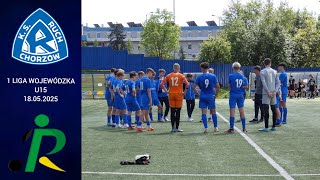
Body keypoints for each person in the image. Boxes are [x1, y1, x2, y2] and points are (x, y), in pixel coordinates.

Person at [161, 63, 189, 132]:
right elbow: (187, 84)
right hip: (179, 94)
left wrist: (166, 91)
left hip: (171, 94)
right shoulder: (181, 75)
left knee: (172, 111)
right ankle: (177, 127)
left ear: (173, 68)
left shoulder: (169, 75)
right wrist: (184, 92)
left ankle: (172, 128)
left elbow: (161, 84)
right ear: (179, 68)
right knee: (178, 111)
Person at [193, 62, 220, 133]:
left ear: (201, 68)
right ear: (208, 68)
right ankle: (216, 127)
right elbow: (218, 87)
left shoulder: (199, 77)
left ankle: (206, 128)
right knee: (213, 112)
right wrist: (215, 95)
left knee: (204, 113)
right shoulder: (213, 76)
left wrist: (198, 95)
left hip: (203, 96)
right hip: (210, 95)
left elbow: (194, 87)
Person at [225, 62, 248, 133]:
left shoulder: (231, 76)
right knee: (241, 110)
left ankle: (231, 128)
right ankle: (244, 127)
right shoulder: (243, 77)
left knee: (232, 111)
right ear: (239, 68)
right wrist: (241, 87)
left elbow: (229, 85)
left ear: (233, 68)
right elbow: (246, 86)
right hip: (240, 95)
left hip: (233, 95)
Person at [259, 58, 280, 132]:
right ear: (270, 63)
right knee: (273, 109)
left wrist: (268, 92)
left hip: (266, 93)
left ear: (264, 63)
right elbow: (278, 83)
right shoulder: (275, 71)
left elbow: (264, 83)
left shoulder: (262, 71)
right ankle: (273, 126)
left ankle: (266, 127)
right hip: (273, 92)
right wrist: (275, 91)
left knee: (266, 110)